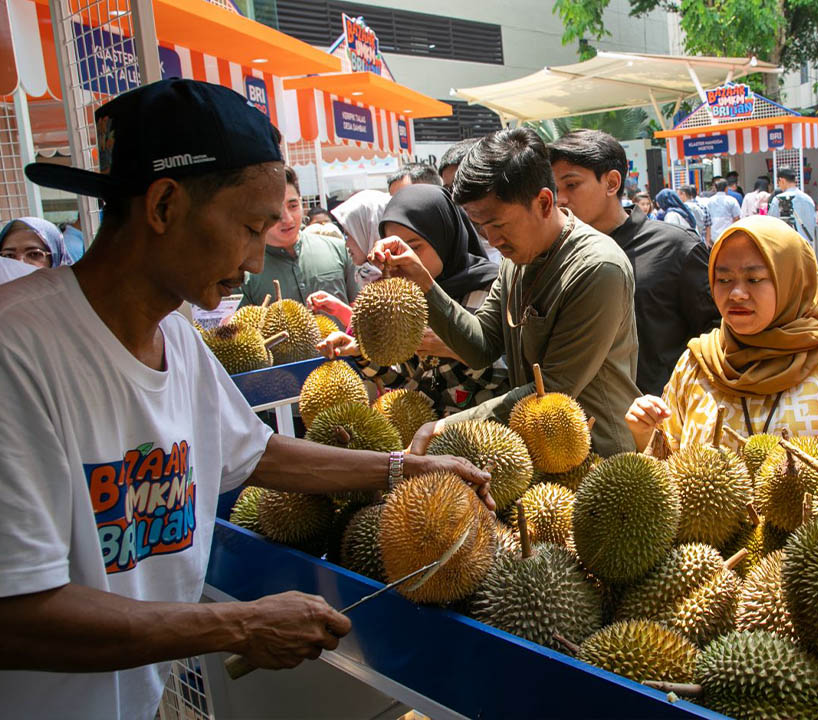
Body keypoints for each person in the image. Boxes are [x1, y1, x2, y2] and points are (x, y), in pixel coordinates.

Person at [0, 79, 489, 719]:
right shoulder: (19, 354)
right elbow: (17, 615)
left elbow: (256, 452)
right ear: (165, 205)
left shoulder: (176, 337)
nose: (259, 257)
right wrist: (236, 625)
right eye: (251, 226)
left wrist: (405, 469)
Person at [369, 127, 640, 457]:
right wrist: (424, 282)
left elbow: (552, 389)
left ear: (543, 201)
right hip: (535, 453)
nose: (492, 241)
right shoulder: (517, 260)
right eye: (481, 228)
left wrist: (443, 427)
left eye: (498, 225)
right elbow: (481, 346)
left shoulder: (597, 269)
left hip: (597, 456)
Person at [624, 215, 818, 454]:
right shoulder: (696, 364)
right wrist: (644, 432)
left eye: (754, 279)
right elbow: (668, 464)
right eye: (724, 279)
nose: (737, 293)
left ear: (791, 280)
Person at [549, 129, 719, 397]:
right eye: (555, 188)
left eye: (571, 185)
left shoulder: (676, 248)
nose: (561, 199)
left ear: (612, 183)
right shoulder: (558, 255)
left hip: (664, 421)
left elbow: (716, 336)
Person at [315, 185, 510, 416]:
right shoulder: (406, 297)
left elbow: (512, 375)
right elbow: (403, 378)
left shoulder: (491, 288)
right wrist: (361, 352)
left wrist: (457, 349)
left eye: (415, 246)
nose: (405, 259)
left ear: (444, 238)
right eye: (396, 248)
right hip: (427, 437)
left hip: (485, 430)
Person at [238, 166, 358, 307]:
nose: (287, 219)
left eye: (293, 206)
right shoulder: (244, 272)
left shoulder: (339, 250)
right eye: (275, 210)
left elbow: (358, 310)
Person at [0, 217, 74, 269]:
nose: (20, 263)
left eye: (34, 254)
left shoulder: (73, 290)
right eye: (9, 256)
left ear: (55, 258)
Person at [706, 178, 743, 243]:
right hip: (728, 234)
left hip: (713, 235)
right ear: (726, 188)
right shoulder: (732, 200)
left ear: (716, 188)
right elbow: (737, 218)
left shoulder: (709, 201)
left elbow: (707, 219)